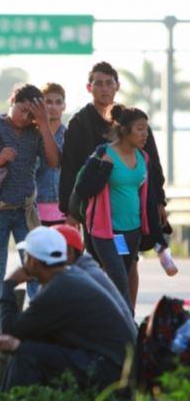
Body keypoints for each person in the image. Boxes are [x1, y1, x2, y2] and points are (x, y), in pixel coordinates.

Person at [58, 62, 168, 305]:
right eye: (99, 83)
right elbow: (70, 167)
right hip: (95, 208)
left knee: (129, 265)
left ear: (117, 86)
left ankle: (125, 316)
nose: (104, 88)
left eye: (109, 83)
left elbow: (153, 165)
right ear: (89, 87)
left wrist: (159, 200)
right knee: (99, 263)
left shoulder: (133, 120)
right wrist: (70, 211)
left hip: (130, 211)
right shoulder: (80, 122)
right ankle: (106, 317)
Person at [0, 84, 60, 348]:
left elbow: (54, 162)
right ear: (12, 102)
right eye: (22, 109)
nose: (25, 117)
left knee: (36, 269)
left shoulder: (36, 131)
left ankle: (34, 327)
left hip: (26, 212)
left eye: (31, 112)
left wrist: (43, 124)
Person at [0, 226, 137, 392]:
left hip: (110, 374)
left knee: (24, 353)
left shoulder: (59, 288)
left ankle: (8, 397)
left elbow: (10, 331)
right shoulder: (70, 276)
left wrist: (8, 284)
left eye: (26, 256)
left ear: (32, 261)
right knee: (28, 346)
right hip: (117, 368)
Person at [74, 106, 170, 313]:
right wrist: (105, 169)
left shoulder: (143, 157)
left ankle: (105, 324)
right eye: (140, 129)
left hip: (131, 232)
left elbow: (148, 197)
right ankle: (129, 329)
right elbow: (83, 189)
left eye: (147, 129)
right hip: (105, 231)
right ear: (125, 130)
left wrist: (159, 241)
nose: (145, 134)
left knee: (122, 279)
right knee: (118, 279)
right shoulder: (103, 154)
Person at [51, 224, 136, 333]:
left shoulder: (75, 278)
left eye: (49, 251)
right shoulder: (84, 269)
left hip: (112, 344)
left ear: (69, 252)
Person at [36, 83, 67, 226]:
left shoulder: (71, 136)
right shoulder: (32, 135)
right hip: (34, 208)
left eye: (58, 102)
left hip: (64, 208)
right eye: (48, 102)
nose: (53, 107)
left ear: (64, 106)